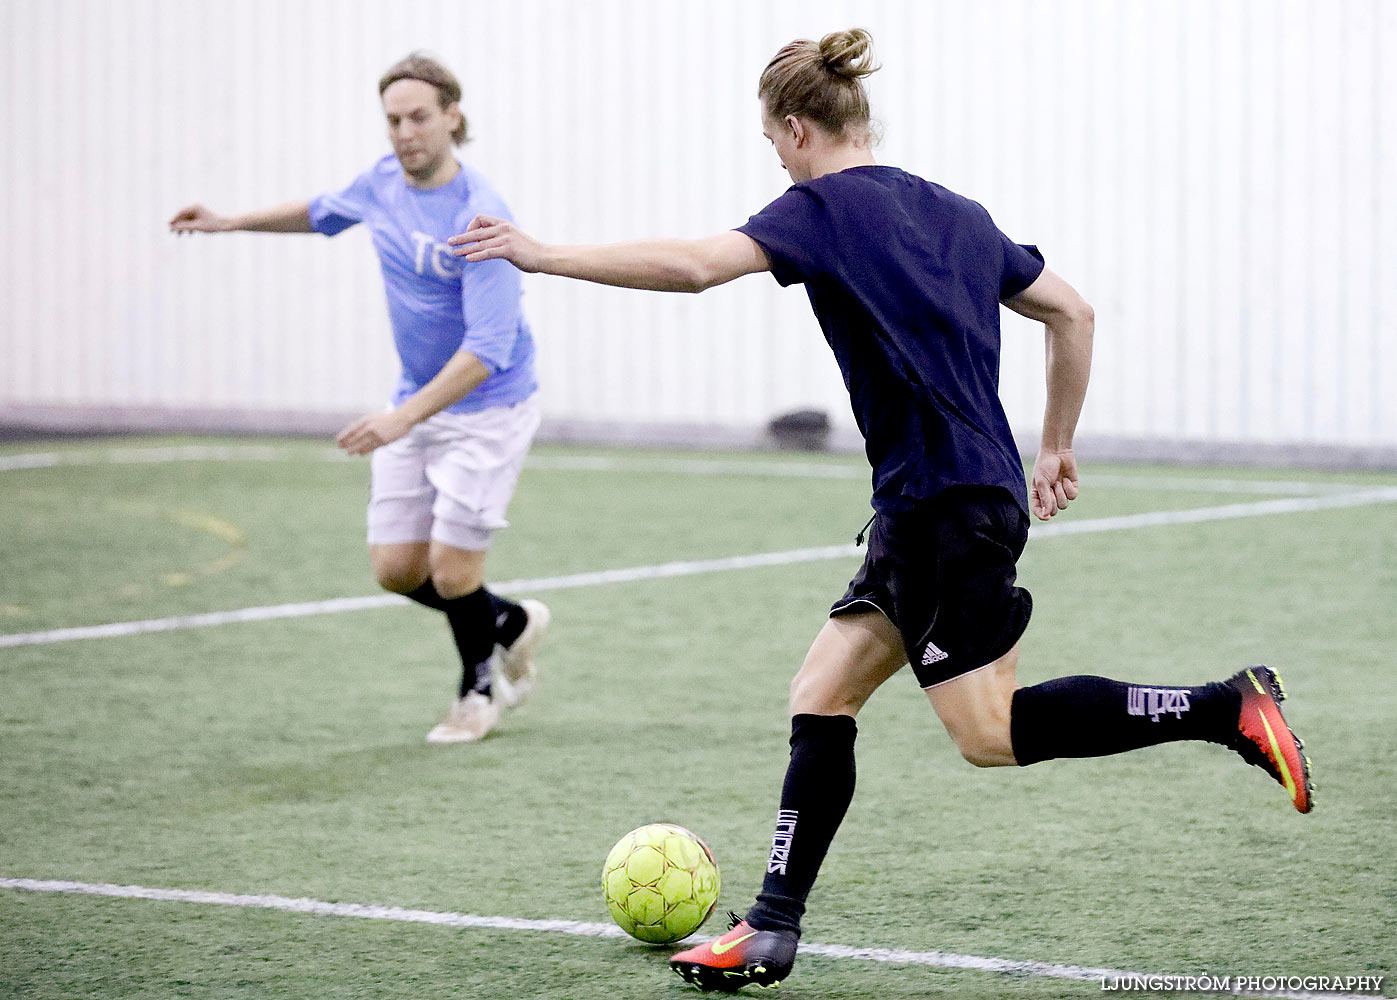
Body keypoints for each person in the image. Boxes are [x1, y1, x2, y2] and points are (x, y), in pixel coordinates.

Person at [450, 28, 1314, 990]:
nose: (774, 161)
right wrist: (1056, 441)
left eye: (773, 143)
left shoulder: (817, 208)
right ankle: (770, 927)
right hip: (942, 502)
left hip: (941, 509)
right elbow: (1072, 311)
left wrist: (542, 253)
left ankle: (1222, 707)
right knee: (822, 692)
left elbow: (696, 266)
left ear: (795, 126)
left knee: (987, 735)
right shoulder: (957, 211)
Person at [170, 52, 549, 745]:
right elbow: (317, 213)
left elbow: (487, 349)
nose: (404, 132)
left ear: (452, 118)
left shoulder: (481, 213)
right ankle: (510, 623)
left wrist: (398, 419)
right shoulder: (380, 184)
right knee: (396, 569)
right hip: (413, 403)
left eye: (419, 117)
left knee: (452, 569)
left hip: (488, 410)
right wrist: (228, 222)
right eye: (393, 120)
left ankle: (477, 693)